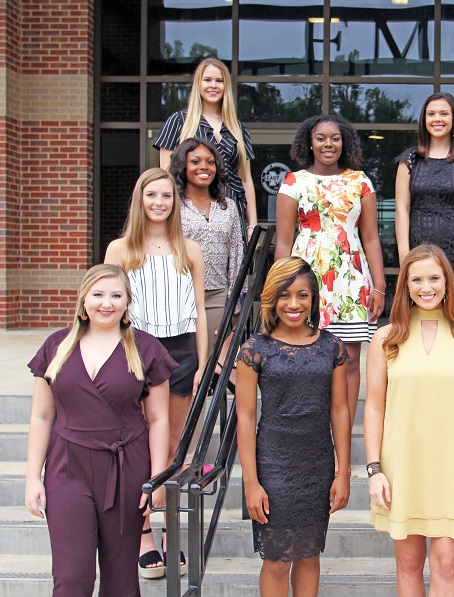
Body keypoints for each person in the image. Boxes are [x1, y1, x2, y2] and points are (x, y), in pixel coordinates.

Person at [25, 264, 175, 593]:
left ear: (127, 302)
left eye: (115, 295)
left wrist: (158, 478)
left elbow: (159, 419)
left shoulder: (146, 349)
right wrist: (32, 477)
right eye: (98, 295)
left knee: (121, 579)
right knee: (71, 576)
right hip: (67, 466)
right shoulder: (56, 346)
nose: (106, 303)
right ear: (84, 299)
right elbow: (41, 416)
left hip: (126, 467)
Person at [364, 244, 454, 596]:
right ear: (405, 285)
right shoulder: (385, 339)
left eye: (435, 278)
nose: (426, 287)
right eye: (416, 279)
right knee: (407, 568)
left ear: (448, 282)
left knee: (446, 568)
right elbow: (374, 407)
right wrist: (374, 470)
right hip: (402, 468)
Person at [105, 168, 207, 575]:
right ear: (140, 200)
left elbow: (200, 311)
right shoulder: (120, 250)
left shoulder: (190, 250)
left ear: (174, 202)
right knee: (140, 447)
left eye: (166, 195)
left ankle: (172, 534)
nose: (159, 202)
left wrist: (202, 362)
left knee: (173, 449)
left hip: (181, 350)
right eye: (151, 195)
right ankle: (143, 534)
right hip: (135, 349)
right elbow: (108, 307)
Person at [236, 256, 351, 597]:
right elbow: (245, 417)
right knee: (277, 560)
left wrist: (343, 471)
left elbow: (341, 410)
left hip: (317, 465)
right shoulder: (255, 350)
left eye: (303, 295)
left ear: (314, 299)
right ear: (271, 298)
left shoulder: (331, 347)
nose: (294, 304)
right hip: (274, 466)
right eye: (285, 295)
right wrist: (251, 482)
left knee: (310, 554)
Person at [275, 114, 386, 427]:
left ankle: (343, 435)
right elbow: (283, 242)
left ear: (344, 142)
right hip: (304, 278)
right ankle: (309, 429)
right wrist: (280, 287)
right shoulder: (293, 181)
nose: (328, 144)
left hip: (350, 281)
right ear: (309, 143)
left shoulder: (361, 181)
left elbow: (372, 237)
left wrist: (379, 286)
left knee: (349, 360)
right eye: (321, 137)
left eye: (335, 138)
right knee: (306, 358)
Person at [154, 57, 257, 242]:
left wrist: (252, 225)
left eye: (219, 81)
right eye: (207, 80)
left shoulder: (238, 128)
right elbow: (166, 176)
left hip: (232, 214)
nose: (213, 86)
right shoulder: (179, 121)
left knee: (235, 268)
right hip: (189, 214)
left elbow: (246, 179)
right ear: (198, 84)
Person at [394, 92, 454, 306]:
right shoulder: (410, 158)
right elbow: (401, 208)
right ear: (424, 120)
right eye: (431, 114)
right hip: (416, 244)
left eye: (444, 113)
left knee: (453, 309)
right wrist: (404, 252)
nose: (437, 119)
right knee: (416, 306)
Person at [169, 138, 243, 358]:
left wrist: (235, 303)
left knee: (218, 363)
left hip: (219, 297)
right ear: (183, 166)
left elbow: (238, 254)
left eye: (210, 162)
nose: (204, 167)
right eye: (195, 161)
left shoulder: (228, 207)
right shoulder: (173, 205)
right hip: (181, 297)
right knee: (186, 364)